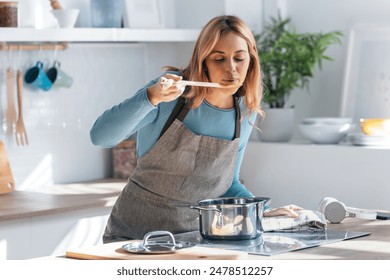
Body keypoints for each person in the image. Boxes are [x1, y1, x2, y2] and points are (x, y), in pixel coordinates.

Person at [90, 15, 301, 243]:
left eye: (239, 58)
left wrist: (262, 209)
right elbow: (101, 137)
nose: (231, 69)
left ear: (251, 61)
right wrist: (151, 96)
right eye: (219, 59)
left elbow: (228, 183)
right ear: (203, 62)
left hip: (194, 238)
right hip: (134, 237)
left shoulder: (244, 111)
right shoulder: (171, 93)